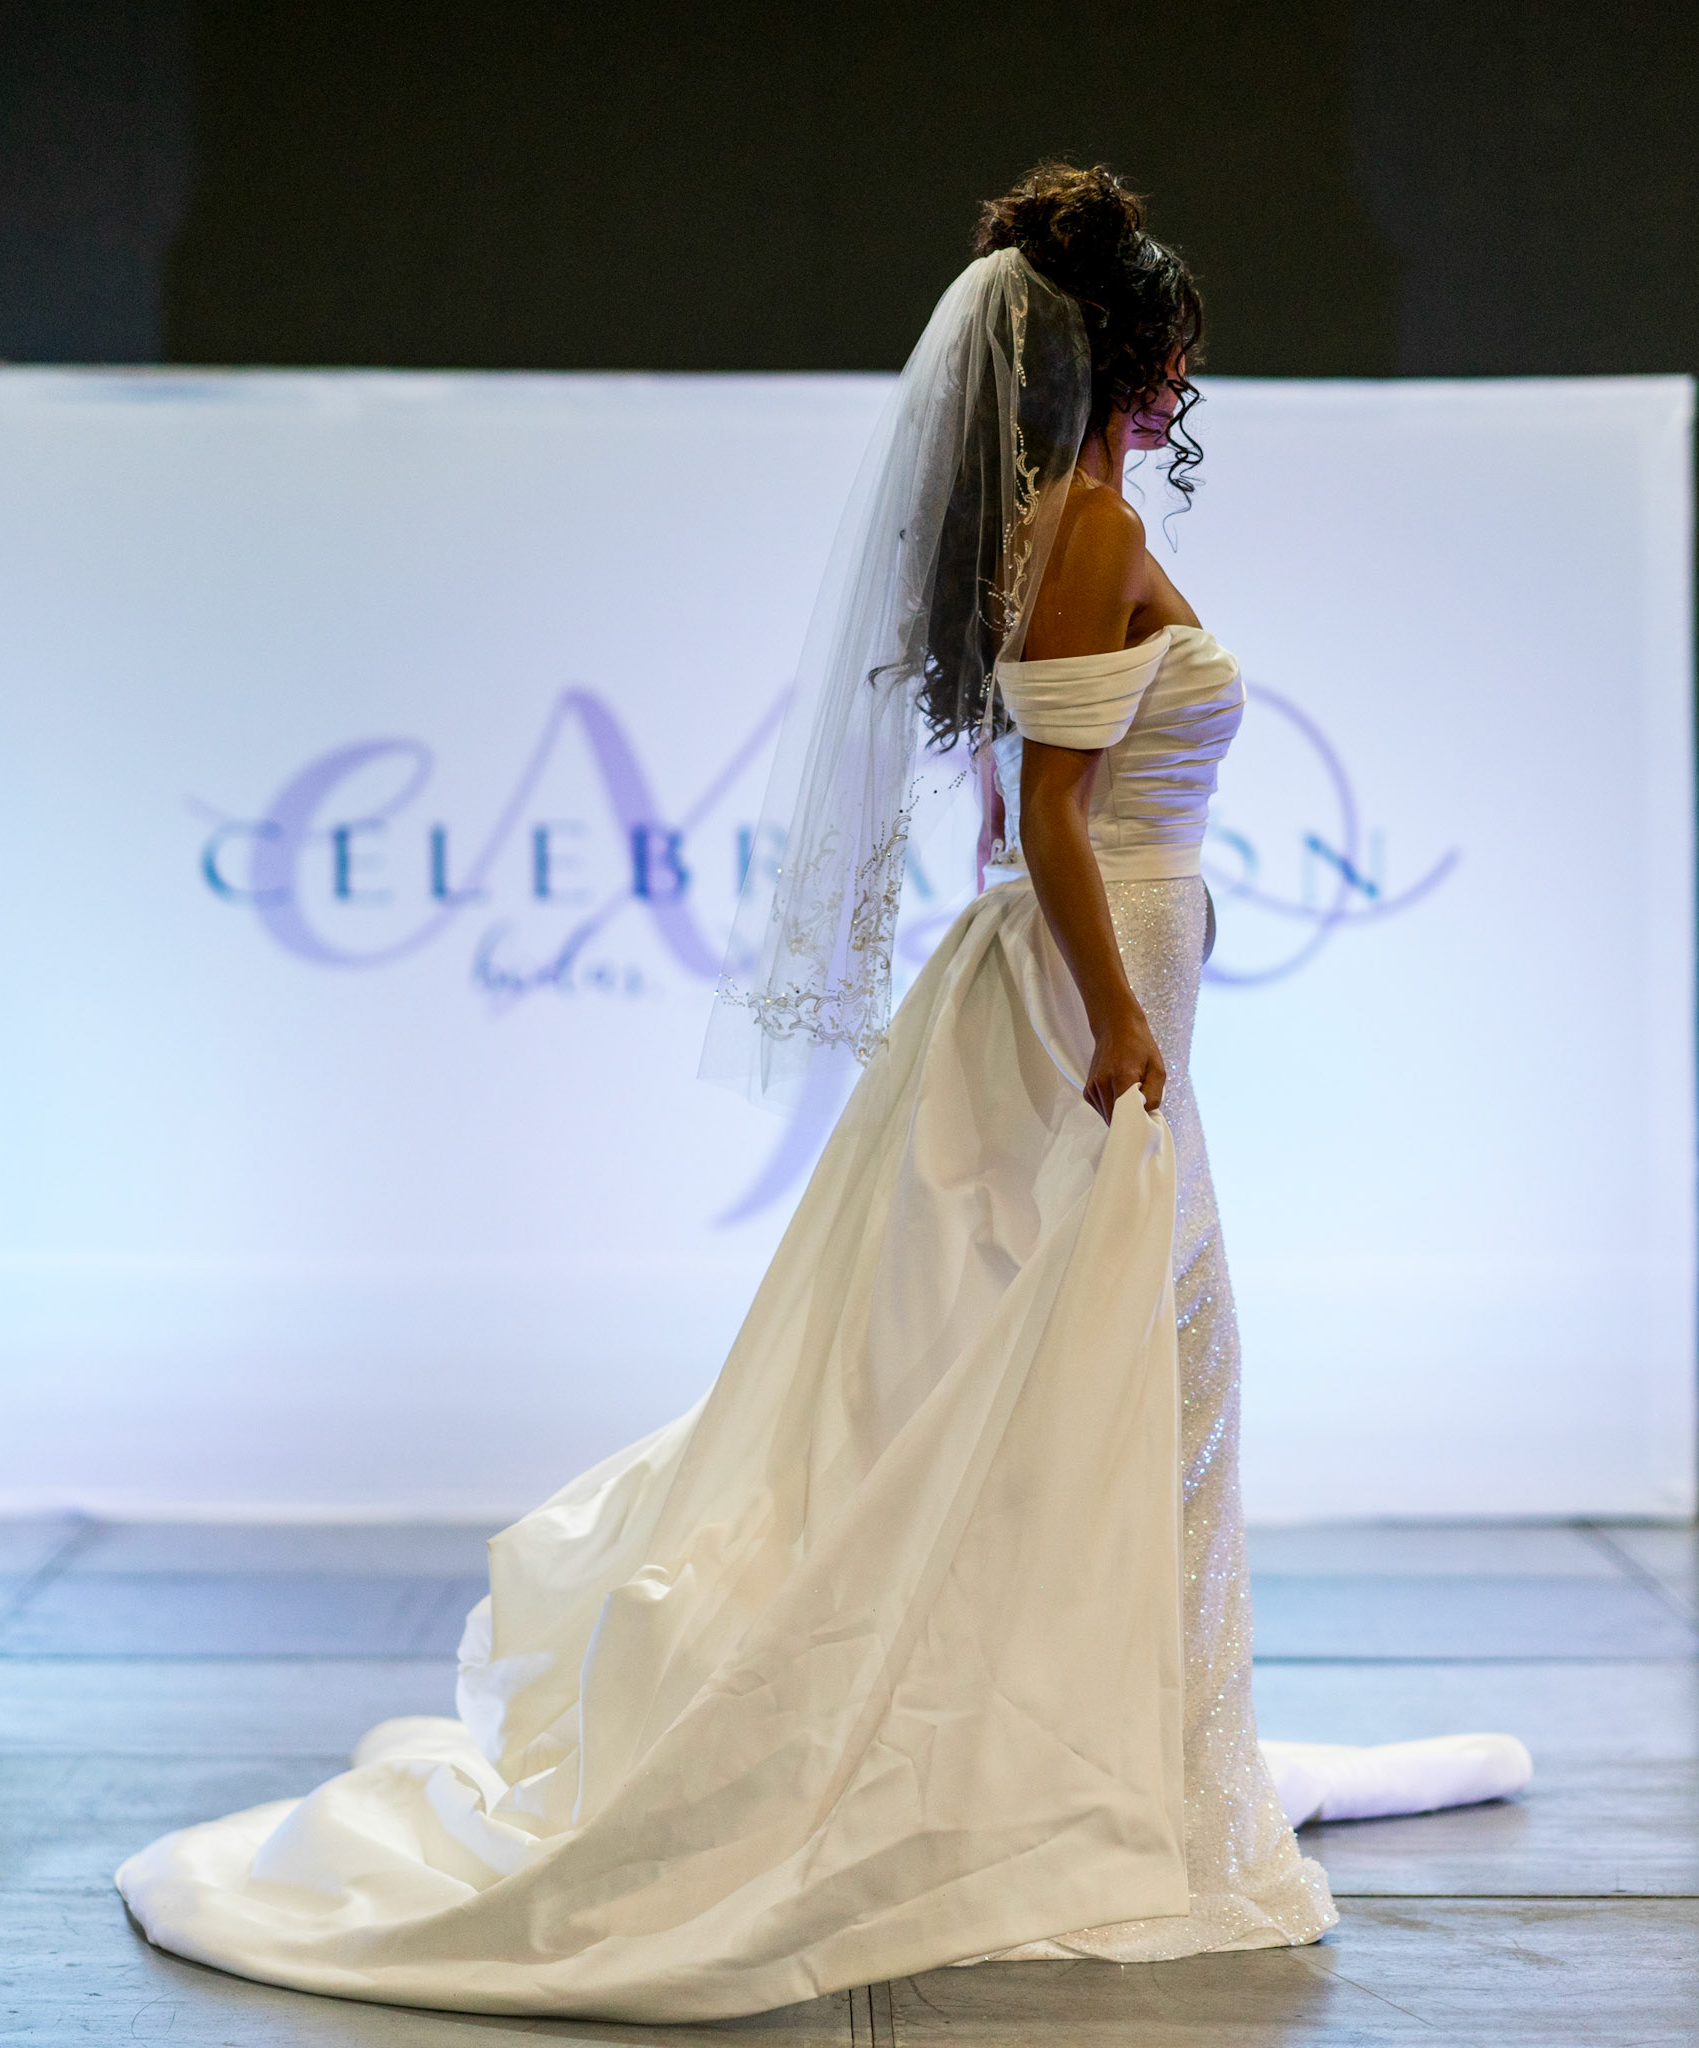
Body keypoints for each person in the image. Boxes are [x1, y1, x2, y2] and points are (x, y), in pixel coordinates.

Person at [117, 163, 1528, 2023]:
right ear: (1129, 356)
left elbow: (1026, 798)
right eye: (1175, 350)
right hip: (1094, 976)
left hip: (1092, 954)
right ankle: (1057, 1750)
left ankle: (1079, 1726)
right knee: (1114, 1353)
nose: (1187, 382)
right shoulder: (1090, 523)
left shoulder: (1038, 525)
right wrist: (1119, 1022)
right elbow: (1046, 815)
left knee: (1063, 1360)